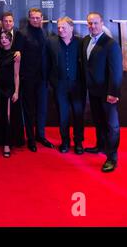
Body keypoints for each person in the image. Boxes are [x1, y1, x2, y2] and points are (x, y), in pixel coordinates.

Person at [81, 12, 123, 172]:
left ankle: (112, 157)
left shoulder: (110, 44)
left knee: (112, 126)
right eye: (90, 23)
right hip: (93, 92)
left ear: (102, 23)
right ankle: (100, 146)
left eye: (95, 23)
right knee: (98, 121)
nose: (92, 26)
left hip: (108, 93)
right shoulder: (86, 41)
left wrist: (113, 92)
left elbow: (116, 71)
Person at [47, 17, 86, 154]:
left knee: (78, 114)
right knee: (62, 115)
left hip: (78, 85)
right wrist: (53, 82)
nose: (60, 30)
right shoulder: (51, 42)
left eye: (63, 27)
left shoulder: (81, 43)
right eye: (58, 27)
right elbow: (47, 64)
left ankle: (79, 142)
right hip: (60, 86)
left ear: (71, 28)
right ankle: (65, 141)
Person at [20, 8, 54, 152]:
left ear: (41, 19)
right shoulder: (22, 34)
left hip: (43, 78)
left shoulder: (45, 33)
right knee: (29, 110)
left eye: (38, 18)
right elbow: (18, 57)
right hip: (28, 78)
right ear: (29, 19)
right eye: (33, 18)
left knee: (42, 109)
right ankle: (31, 139)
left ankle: (40, 135)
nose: (35, 20)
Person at [0, 31, 22, 158]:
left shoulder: (15, 55)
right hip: (0, 87)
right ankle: (2, 140)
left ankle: (7, 144)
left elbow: (17, 75)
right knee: (1, 115)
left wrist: (16, 91)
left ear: (11, 40)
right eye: (1, 38)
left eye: (6, 38)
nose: (4, 40)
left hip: (10, 88)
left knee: (8, 115)